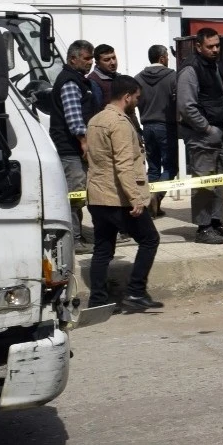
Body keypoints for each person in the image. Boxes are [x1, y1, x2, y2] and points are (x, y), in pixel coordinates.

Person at [83, 74, 162, 314]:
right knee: (150, 239)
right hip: (118, 198)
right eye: (136, 97)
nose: (137, 102)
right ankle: (136, 291)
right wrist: (135, 198)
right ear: (127, 97)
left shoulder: (95, 120)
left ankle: (98, 300)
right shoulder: (120, 123)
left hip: (97, 196)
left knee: (103, 249)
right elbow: (124, 164)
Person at [177, 28, 223, 245]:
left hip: (216, 135)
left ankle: (215, 223)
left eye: (217, 45)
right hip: (202, 136)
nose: (215, 50)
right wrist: (206, 129)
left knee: (219, 182)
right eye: (210, 46)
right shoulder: (191, 69)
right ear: (198, 46)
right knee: (204, 183)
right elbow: (186, 106)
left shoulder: (212, 65)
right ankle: (203, 228)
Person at [47, 39, 99, 254]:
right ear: (73, 59)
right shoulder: (70, 82)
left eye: (91, 58)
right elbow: (74, 118)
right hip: (71, 150)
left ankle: (78, 236)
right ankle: (74, 240)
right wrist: (84, 142)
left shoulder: (79, 80)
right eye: (86, 58)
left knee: (79, 195)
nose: (90, 62)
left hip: (74, 149)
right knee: (75, 196)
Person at [137, 44, 177, 217]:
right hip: (166, 127)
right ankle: (156, 196)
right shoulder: (172, 77)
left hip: (147, 126)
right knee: (170, 167)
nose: (168, 59)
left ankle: (153, 207)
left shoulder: (138, 78)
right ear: (162, 58)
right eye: (167, 56)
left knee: (153, 168)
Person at [88, 43, 119, 108]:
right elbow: (97, 109)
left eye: (114, 58)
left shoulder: (119, 77)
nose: (113, 62)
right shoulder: (93, 81)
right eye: (107, 60)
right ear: (97, 63)